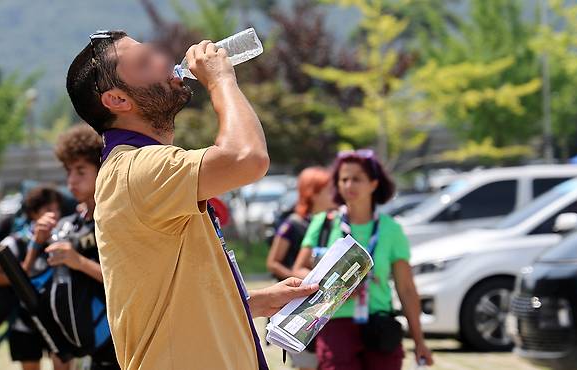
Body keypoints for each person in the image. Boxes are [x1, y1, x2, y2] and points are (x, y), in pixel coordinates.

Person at [65, 30, 318, 370]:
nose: (164, 60)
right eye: (145, 61)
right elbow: (247, 157)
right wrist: (221, 81)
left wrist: (250, 303)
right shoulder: (136, 169)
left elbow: (169, 299)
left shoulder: (140, 166)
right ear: (118, 100)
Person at [293, 150, 433, 370]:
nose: (349, 185)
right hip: (334, 324)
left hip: (379, 325)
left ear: (374, 184)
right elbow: (299, 270)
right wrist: (337, 285)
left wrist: (419, 341)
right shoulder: (324, 223)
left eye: (356, 179)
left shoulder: (391, 229)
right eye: (344, 179)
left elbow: (406, 288)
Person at [22, 125, 120, 370]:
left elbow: (126, 281)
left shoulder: (116, 219)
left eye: (80, 171)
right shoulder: (71, 224)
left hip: (120, 345)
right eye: (68, 172)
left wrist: (78, 261)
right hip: (87, 348)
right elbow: (25, 278)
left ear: (103, 170)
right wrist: (38, 240)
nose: (71, 181)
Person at [0, 186, 64, 370]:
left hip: (56, 318)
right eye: (48, 210)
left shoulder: (64, 238)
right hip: (23, 319)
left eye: (57, 209)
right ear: (34, 213)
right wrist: (19, 279)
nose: (55, 215)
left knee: (63, 365)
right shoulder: (16, 241)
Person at [266, 166, 334, 370]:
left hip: (323, 303)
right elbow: (273, 262)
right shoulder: (293, 224)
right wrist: (303, 283)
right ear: (312, 192)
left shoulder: (332, 223)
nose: (336, 194)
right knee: (307, 361)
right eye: (329, 189)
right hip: (300, 305)